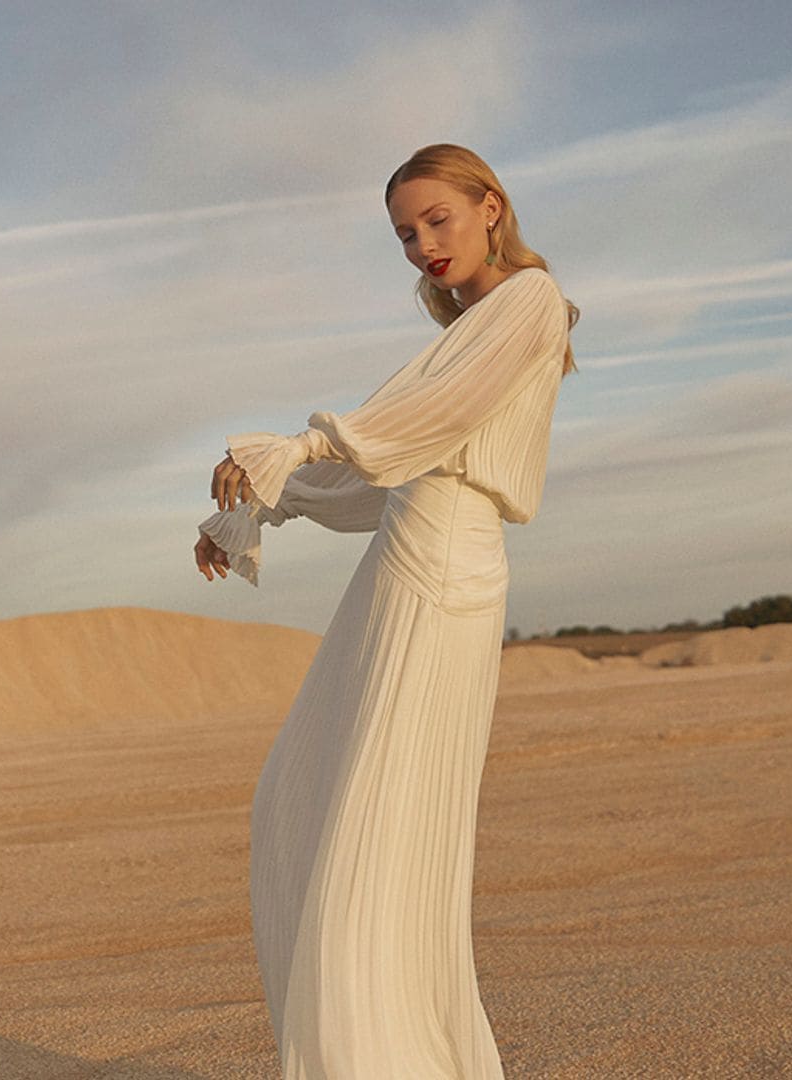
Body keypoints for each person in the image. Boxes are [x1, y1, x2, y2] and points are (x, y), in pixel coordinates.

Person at [194, 142, 578, 1078]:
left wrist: (290, 450)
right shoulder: (473, 324)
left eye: (437, 219)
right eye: (405, 233)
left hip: (443, 570)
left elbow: (416, 428)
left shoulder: (526, 302)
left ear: (490, 206)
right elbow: (390, 472)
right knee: (301, 804)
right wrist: (258, 501)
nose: (421, 245)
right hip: (407, 553)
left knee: (376, 839)